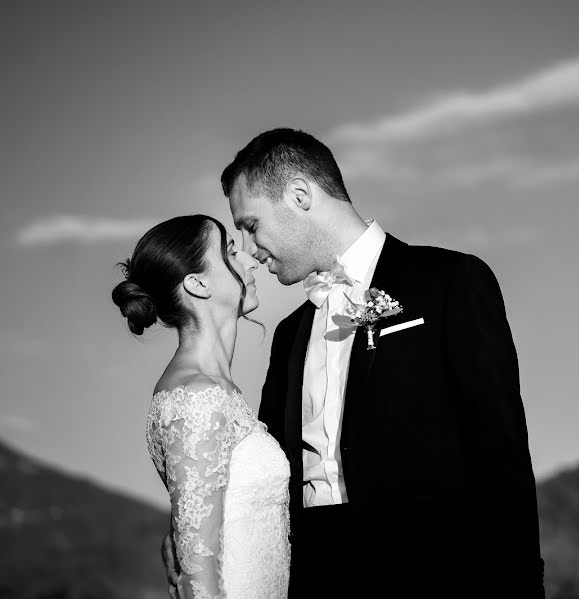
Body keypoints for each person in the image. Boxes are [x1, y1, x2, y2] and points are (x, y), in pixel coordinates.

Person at [165, 128, 546, 598]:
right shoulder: (289, 336)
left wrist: (522, 585)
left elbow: (501, 450)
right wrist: (190, 524)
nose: (251, 249)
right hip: (315, 579)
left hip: (438, 575)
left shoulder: (450, 282)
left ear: (300, 195)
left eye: (250, 225)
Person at [113, 215, 291, 599]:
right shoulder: (197, 398)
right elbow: (198, 571)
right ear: (197, 283)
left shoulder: (218, 392)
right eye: (229, 250)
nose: (250, 258)